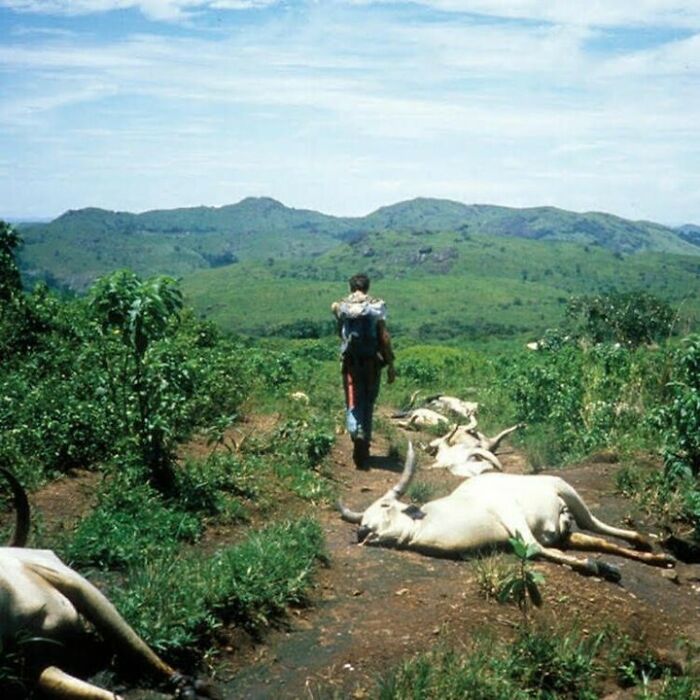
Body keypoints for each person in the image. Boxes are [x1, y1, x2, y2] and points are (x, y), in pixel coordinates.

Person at [332, 273, 396, 468]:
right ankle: (364, 442)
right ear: (367, 287)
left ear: (351, 287)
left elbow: (340, 333)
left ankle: (355, 431)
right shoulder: (376, 306)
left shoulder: (343, 306)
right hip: (372, 363)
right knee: (368, 401)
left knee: (352, 400)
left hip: (350, 362)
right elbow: (383, 337)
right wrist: (391, 364)